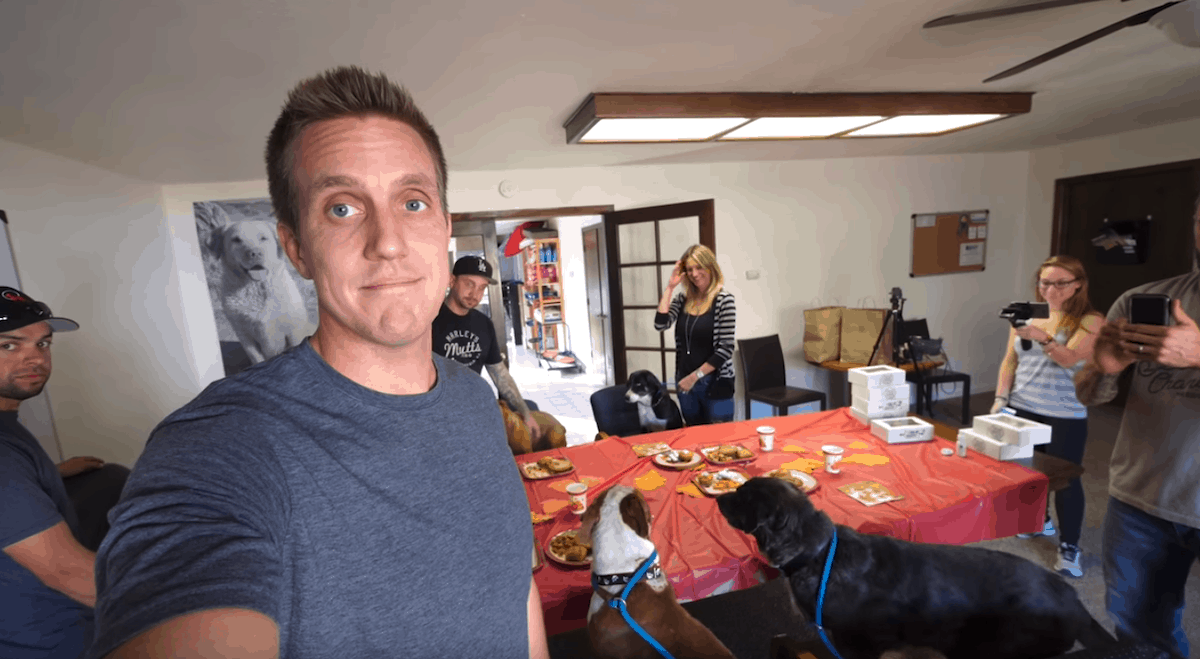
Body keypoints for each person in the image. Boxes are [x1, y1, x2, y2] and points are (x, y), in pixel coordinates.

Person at [90, 66, 548, 659]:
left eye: (412, 202)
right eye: (342, 209)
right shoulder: (222, 445)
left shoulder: (472, 399)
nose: (388, 241)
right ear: (297, 250)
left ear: (443, 228)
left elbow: (513, 588)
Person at [1073, 195, 1200, 659]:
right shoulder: (1143, 299)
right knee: (1142, 638)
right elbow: (1089, 396)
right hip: (1139, 502)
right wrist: (1104, 368)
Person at [990, 255, 1104, 578]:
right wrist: (1000, 398)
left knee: (1066, 480)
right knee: (1028, 472)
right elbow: (1010, 360)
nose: (1051, 290)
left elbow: (1070, 360)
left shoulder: (1091, 321)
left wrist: (1042, 337)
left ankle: (1069, 546)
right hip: (1023, 406)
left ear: (1078, 285)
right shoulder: (1027, 313)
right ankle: (1039, 520)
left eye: (1061, 283)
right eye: (1045, 283)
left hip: (1064, 412)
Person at [0, 286, 95, 658]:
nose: (35, 358)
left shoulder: (8, 429)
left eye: (43, 344)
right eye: (9, 345)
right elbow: (71, 573)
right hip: (51, 644)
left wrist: (50, 474)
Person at [432, 254, 540, 438]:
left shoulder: (484, 324)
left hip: (474, 408)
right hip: (438, 415)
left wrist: (525, 411)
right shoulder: (429, 321)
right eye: (469, 284)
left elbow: (499, 374)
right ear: (452, 280)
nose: (475, 294)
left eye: (482, 288)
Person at [655, 244, 736, 425]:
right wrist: (670, 287)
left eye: (699, 267)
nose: (694, 274)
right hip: (685, 383)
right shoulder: (682, 299)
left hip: (715, 383)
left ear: (711, 267)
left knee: (720, 438)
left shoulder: (724, 300)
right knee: (693, 437)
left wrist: (694, 377)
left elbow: (725, 349)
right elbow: (660, 324)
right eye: (690, 269)